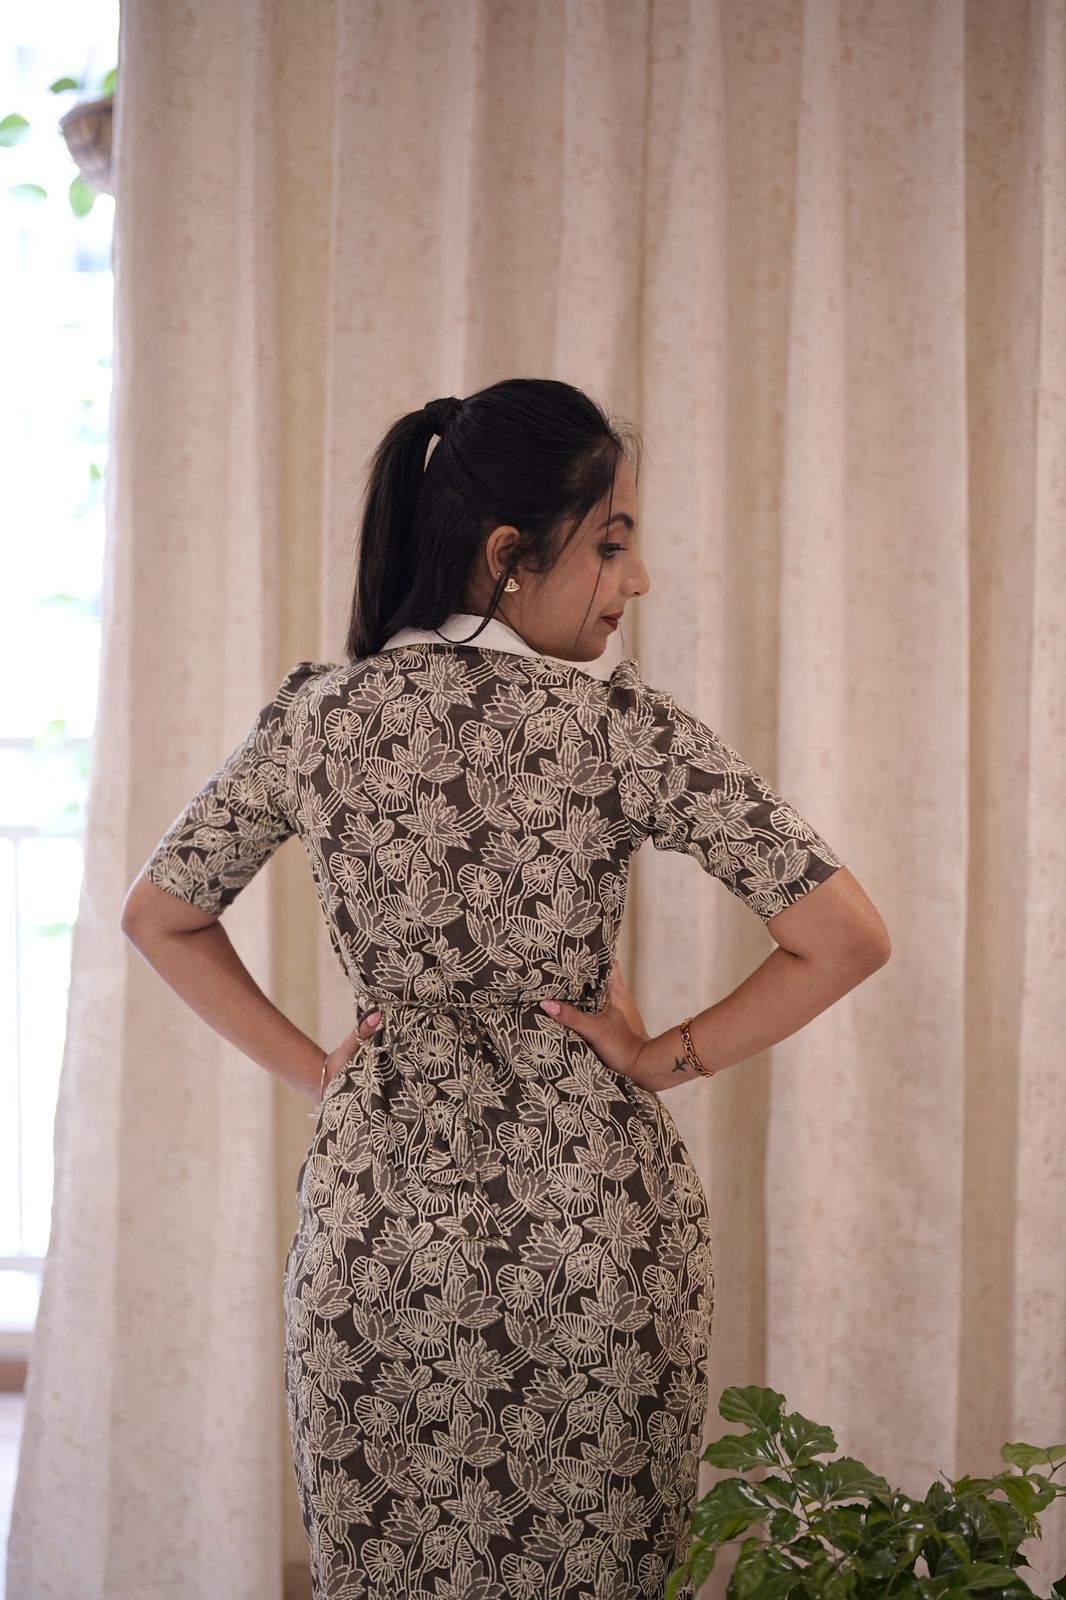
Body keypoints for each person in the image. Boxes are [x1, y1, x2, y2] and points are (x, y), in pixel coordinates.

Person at [121, 377, 890, 1600]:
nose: (636, 579)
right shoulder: (617, 727)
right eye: (612, 543)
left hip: (379, 1236)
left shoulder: (317, 719)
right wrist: (660, 1055)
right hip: (594, 1243)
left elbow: (160, 914)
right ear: (507, 556)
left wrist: (320, 1070)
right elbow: (843, 936)